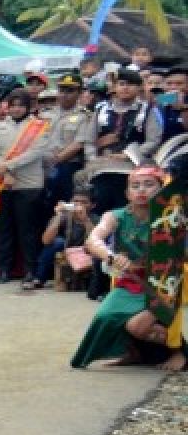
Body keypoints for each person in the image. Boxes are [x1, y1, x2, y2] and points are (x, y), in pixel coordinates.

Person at [71, 166, 186, 372]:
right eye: (135, 186)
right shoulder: (115, 216)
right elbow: (93, 240)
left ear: (162, 188)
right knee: (105, 318)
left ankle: (180, 352)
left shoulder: (173, 215)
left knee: (137, 326)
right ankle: (134, 352)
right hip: (131, 281)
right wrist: (112, 257)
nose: (141, 190)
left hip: (164, 281)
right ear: (127, 193)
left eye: (149, 184)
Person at [0, 89, 50, 288]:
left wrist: (8, 166)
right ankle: (4, 269)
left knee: (28, 230)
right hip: (2, 184)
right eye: (13, 105)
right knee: (4, 229)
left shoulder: (39, 127)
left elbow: (36, 152)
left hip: (29, 184)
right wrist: (1, 169)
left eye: (20, 105)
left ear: (28, 107)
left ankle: (30, 270)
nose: (16, 109)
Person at [92, 68, 163, 211]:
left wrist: (127, 155)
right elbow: (89, 139)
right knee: (99, 206)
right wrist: (92, 158)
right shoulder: (101, 109)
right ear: (115, 87)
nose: (125, 88)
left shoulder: (148, 109)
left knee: (125, 207)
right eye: (122, 84)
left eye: (130, 84)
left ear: (139, 88)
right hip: (101, 166)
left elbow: (153, 140)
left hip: (132, 167)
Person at [42, 74, 94, 207]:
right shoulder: (45, 114)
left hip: (67, 166)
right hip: (41, 165)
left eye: (70, 91)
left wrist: (56, 160)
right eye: (62, 90)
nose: (65, 94)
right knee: (43, 206)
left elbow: (78, 144)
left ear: (80, 93)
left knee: (64, 203)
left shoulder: (85, 116)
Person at [37, 188, 96, 290]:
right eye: (75, 201)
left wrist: (85, 220)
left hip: (86, 253)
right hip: (66, 252)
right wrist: (58, 216)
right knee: (58, 242)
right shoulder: (64, 216)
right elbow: (46, 240)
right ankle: (39, 278)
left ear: (92, 205)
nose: (79, 205)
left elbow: (96, 241)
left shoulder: (96, 218)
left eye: (84, 202)